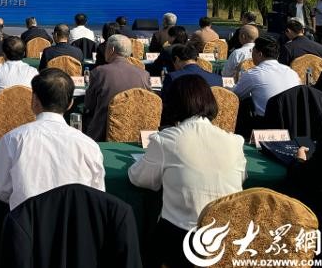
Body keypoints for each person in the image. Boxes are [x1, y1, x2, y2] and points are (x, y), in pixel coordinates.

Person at [129, 76, 246, 268]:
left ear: (173, 104)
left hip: (182, 239)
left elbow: (139, 178)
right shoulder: (235, 141)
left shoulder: (166, 140)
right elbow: (241, 178)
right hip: (229, 238)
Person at [0, 68, 105, 210]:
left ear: (34, 100)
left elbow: (1, 190)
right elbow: (97, 193)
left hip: (26, 221)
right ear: (71, 103)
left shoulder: (12, 140)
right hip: (74, 221)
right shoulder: (90, 146)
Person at [83, 35, 151, 142]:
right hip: (137, 132)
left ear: (112, 49)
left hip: (104, 133)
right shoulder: (144, 74)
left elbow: (89, 104)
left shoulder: (99, 72)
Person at [232, 37, 301, 116]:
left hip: (267, 121)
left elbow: (235, 95)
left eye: (252, 51)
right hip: (293, 119)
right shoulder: (292, 72)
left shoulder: (253, 74)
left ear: (259, 54)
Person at [160, 43, 222, 124]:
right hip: (210, 122)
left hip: (180, 123)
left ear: (177, 59)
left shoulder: (172, 77)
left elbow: (165, 103)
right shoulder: (217, 79)